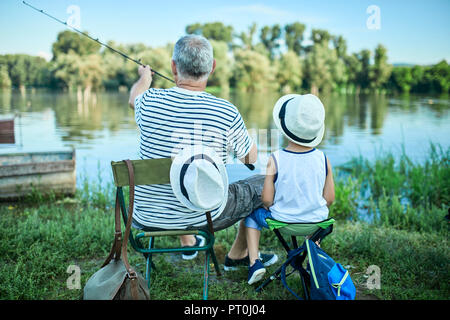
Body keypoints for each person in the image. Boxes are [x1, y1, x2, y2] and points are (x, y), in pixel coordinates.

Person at [128, 34, 277, 268]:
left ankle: (189, 242)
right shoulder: (225, 111)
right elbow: (250, 157)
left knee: (179, 174)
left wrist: (145, 77)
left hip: (147, 216)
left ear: (173, 66)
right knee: (263, 182)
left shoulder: (148, 101)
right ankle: (237, 255)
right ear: (213, 67)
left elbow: (133, 98)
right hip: (205, 216)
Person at [244, 94, 335, 285]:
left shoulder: (275, 158)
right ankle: (313, 258)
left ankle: (255, 262)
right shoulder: (323, 158)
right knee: (317, 214)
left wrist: (274, 203)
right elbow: (329, 199)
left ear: (285, 129)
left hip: (282, 223)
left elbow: (267, 200)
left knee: (251, 215)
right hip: (316, 225)